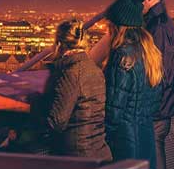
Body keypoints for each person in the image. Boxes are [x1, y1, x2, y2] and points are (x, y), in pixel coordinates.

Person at [31, 19, 113, 162]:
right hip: (99, 150)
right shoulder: (94, 69)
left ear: (59, 44)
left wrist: (35, 105)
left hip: (77, 155)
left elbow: (57, 121)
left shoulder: (70, 72)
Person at [104, 0, 163, 167]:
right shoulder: (150, 52)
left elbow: (114, 108)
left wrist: (106, 135)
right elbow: (156, 99)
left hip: (126, 138)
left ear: (118, 26)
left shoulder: (122, 55)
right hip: (146, 133)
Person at [127, 0, 174, 169]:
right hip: (158, 109)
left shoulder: (157, 26)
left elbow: (160, 72)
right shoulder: (161, 23)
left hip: (153, 111)